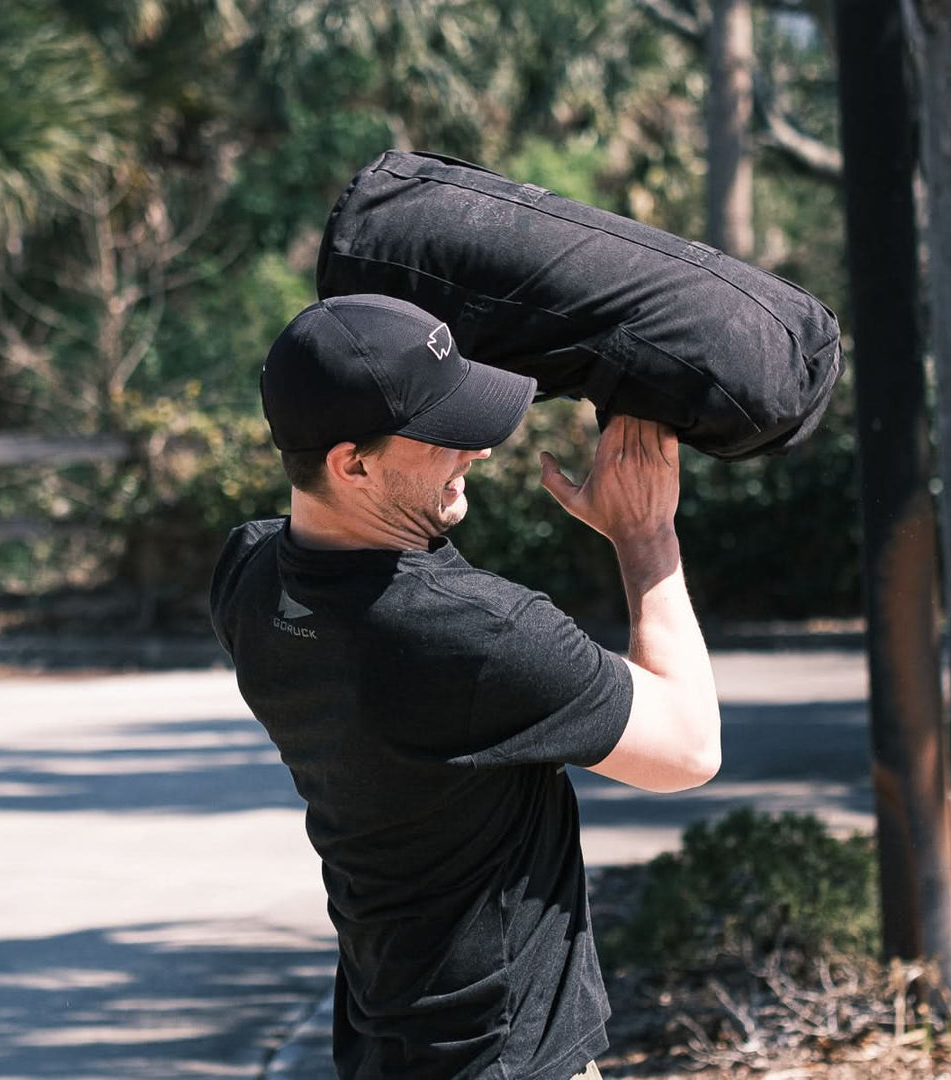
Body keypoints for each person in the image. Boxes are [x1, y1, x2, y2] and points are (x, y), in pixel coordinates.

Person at [210, 293, 721, 1080]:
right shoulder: (478, 636)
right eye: (443, 433)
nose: (477, 451)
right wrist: (646, 536)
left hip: (386, 1043)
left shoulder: (246, 578)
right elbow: (688, 750)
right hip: (504, 1055)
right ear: (352, 463)